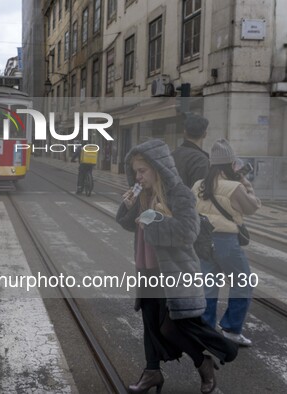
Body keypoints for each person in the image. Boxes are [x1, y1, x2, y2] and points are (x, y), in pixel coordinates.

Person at [116, 139, 238, 394]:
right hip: (146, 268)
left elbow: (188, 230)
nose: (137, 177)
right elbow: (129, 224)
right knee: (150, 324)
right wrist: (128, 206)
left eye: (142, 171)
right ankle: (151, 373)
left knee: (171, 327)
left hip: (173, 271)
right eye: (135, 171)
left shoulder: (178, 193)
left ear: (158, 168)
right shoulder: (142, 193)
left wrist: (154, 224)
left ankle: (203, 362)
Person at [193, 139, 261, 347]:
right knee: (243, 283)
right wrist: (246, 183)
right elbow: (252, 207)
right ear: (231, 164)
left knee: (209, 285)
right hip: (225, 241)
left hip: (202, 240)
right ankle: (231, 328)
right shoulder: (234, 187)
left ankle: (205, 329)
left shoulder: (198, 185)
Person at [172, 113, 210, 187]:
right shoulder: (200, 160)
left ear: (184, 132)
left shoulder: (172, 154)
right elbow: (200, 191)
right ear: (205, 134)